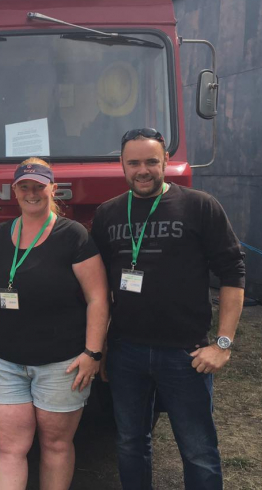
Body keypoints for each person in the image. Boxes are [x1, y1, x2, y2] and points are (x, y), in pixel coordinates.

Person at [91, 128, 246, 490]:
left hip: (186, 353)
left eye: (150, 162)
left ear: (165, 162)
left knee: (198, 450)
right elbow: (97, 286)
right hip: (125, 351)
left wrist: (222, 344)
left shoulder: (200, 206)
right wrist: (100, 347)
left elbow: (233, 272)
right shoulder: (108, 214)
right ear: (122, 165)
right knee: (130, 444)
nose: (142, 170)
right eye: (134, 163)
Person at [0, 158, 109, 490]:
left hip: (61, 364)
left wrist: (93, 353)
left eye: (38, 186)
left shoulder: (73, 235)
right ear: (15, 191)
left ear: (53, 189)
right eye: (24, 187)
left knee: (56, 445)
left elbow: (98, 297)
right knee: (8, 448)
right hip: (6, 362)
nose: (32, 193)